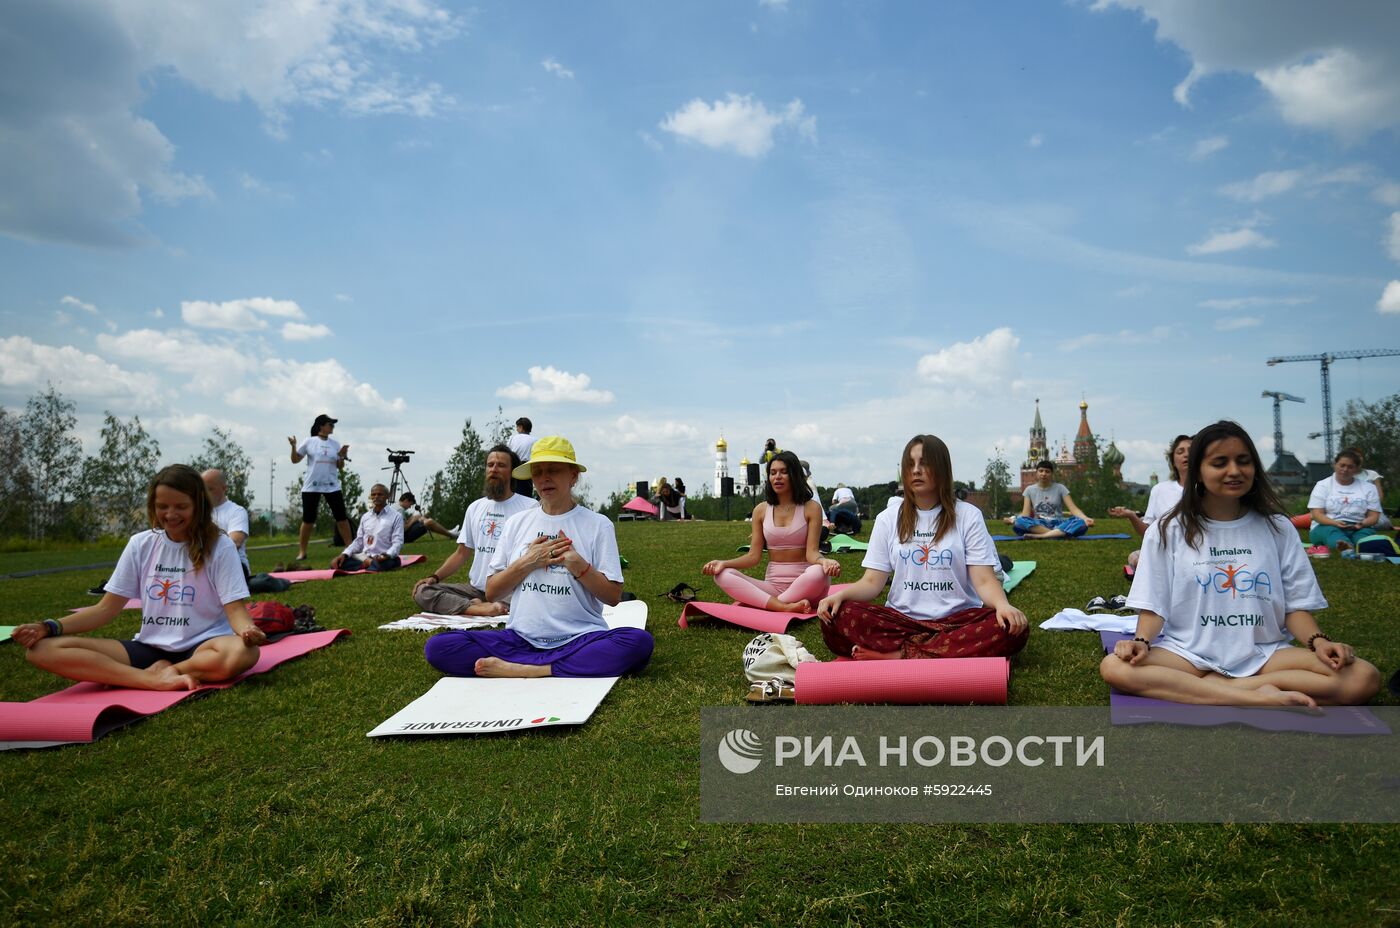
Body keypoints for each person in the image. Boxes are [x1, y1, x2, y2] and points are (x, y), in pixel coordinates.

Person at [1101, 421, 1380, 708]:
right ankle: (1255, 698)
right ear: (1198, 469)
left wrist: (1320, 641)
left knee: (1363, 677)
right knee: (1115, 667)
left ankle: (1224, 688)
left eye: (1243, 461)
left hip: (1264, 654)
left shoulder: (1278, 528)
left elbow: (1295, 607)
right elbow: (1153, 604)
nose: (1234, 471)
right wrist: (1142, 641)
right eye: (1220, 463)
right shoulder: (1167, 529)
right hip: (1188, 653)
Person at [13, 464, 264, 691]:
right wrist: (48, 627)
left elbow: (235, 611)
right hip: (149, 647)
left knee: (244, 653)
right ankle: (150, 679)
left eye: (181, 506)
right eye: (162, 506)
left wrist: (247, 630)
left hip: (202, 647)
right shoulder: (141, 544)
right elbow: (105, 610)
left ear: (198, 505)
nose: (170, 514)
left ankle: (170, 671)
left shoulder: (220, 546)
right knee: (40, 650)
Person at [423, 436, 653, 678]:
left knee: (638, 642)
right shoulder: (517, 523)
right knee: (439, 647)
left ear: (573, 476)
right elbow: (492, 592)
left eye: (554, 470)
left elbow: (613, 596)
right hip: (521, 637)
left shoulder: (598, 525)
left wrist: (579, 566)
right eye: (538, 472)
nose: (544, 478)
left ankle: (533, 669)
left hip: (580, 637)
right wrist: (527, 562)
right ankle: (561, 665)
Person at [817, 435, 1029, 660]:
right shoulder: (888, 519)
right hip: (902, 621)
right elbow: (871, 582)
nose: (916, 471)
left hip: (957, 621)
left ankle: (899, 655)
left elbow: (984, 580)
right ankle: (934, 651)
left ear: (942, 468)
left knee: (1011, 628)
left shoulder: (968, 516)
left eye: (924, 463)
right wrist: (839, 597)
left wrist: (1002, 606)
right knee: (840, 616)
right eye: (910, 464)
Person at [702, 450, 840, 613]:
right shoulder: (760, 510)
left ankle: (772, 605)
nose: (777, 477)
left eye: (783, 472)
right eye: (773, 473)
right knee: (723, 574)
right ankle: (782, 606)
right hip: (773, 586)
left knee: (818, 572)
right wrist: (724, 563)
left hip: (808, 585)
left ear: (794, 475)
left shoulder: (811, 508)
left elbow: (812, 553)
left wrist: (825, 562)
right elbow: (753, 557)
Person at [413, 445, 539, 616]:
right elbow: (461, 553)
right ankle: (480, 608)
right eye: (490, 464)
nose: (494, 469)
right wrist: (434, 578)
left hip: (511, 590)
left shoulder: (529, 507)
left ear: (512, 472)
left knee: (528, 600)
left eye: (501, 465)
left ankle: (480, 606)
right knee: (423, 590)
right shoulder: (475, 507)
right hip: (477, 589)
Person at [1108, 434, 1191, 576]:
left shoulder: (1210, 490)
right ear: (1173, 461)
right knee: (1135, 557)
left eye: (1191, 450)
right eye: (1180, 451)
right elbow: (1148, 533)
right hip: (1166, 552)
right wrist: (1131, 515)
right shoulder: (1160, 490)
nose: (1186, 455)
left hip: (1197, 553)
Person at [288, 413, 352, 561]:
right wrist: (293, 447)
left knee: (341, 517)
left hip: (332, 485)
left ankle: (349, 549)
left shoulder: (335, 444)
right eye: (330, 424)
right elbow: (295, 460)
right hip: (312, 486)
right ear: (321, 426)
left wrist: (342, 456)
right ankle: (302, 552)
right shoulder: (309, 442)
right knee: (308, 519)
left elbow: (339, 466)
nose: (332, 427)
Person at [1308, 449, 1383, 552]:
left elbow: (1374, 516)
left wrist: (1361, 524)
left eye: (1350, 467)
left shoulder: (1369, 488)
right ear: (1335, 465)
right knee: (1332, 533)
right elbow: (1316, 515)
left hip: (1359, 526)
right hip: (1327, 525)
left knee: (1365, 538)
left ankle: (1359, 544)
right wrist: (1335, 523)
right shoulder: (1322, 485)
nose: (1345, 469)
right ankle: (1345, 545)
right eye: (1342, 465)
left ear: (1356, 469)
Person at [1005, 460, 1093, 539]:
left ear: (1052, 474)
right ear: (1036, 473)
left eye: (1047, 471)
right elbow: (1026, 514)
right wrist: (1013, 519)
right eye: (1041, 471)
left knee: (1081, 523)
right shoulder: (1029, 490)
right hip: (1039, 524)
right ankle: (1058, 534)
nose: (1044, 474)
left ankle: (1042, 536)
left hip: (1058, 523)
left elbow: (1073, 509)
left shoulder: (1060, 488)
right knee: (1019, 523)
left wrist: (1086, 518)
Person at [331, 484, 404, 572]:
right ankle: (369, 564)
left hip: (384, 557)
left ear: (388, 496)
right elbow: (359, 541)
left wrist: (386, 555)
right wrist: (344, 554)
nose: (376, 497)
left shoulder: (396, 516)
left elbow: (398, 542)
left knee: (385, 563)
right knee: (337, 563)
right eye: (373, 494)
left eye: (380, 494)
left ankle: (368, 565)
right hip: (365, 557)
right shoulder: (365, 517)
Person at [202, 468, 251, 582]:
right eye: (202, 489)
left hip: (234, 565)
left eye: (210, 489)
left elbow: (235, 543)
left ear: (224, 488)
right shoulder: (197, 511)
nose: (205, 493)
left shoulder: (236, 511)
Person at [508, 417, 537, 498]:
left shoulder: (513, 438)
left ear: (521, 427)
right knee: (527, 492)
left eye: (517, 427)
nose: (516, 429)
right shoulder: (535, 440)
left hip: (514, 466)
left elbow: (508, 453)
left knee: (514, 491)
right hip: (528, 467)